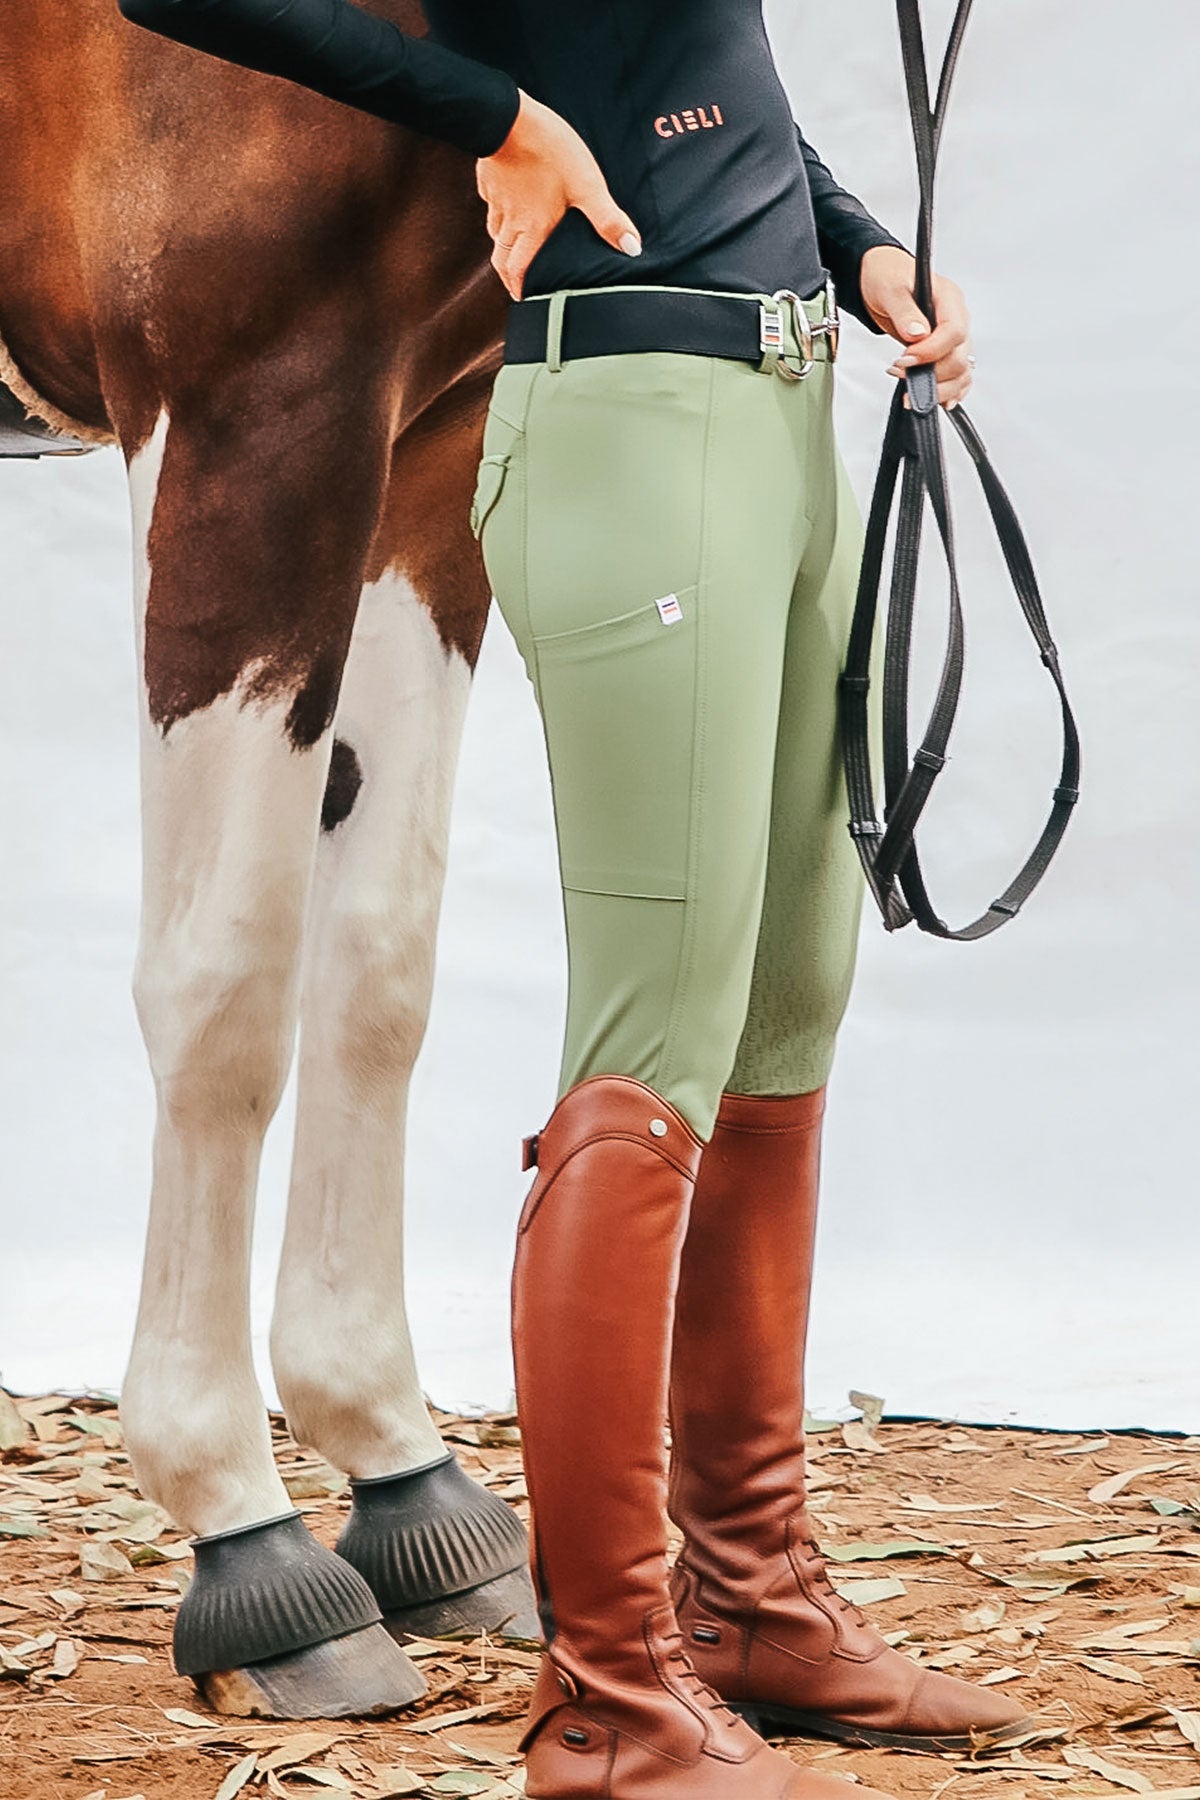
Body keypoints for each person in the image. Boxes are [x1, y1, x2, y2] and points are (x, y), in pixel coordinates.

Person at [116, 2, 1014, 1795]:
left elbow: (686, 76)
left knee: (784, 1012)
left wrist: (853, 241)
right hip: (634, 411)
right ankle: (610, 1695)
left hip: (785, 399)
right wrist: (495, 114)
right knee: (654, 1048)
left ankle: (749, 1596)